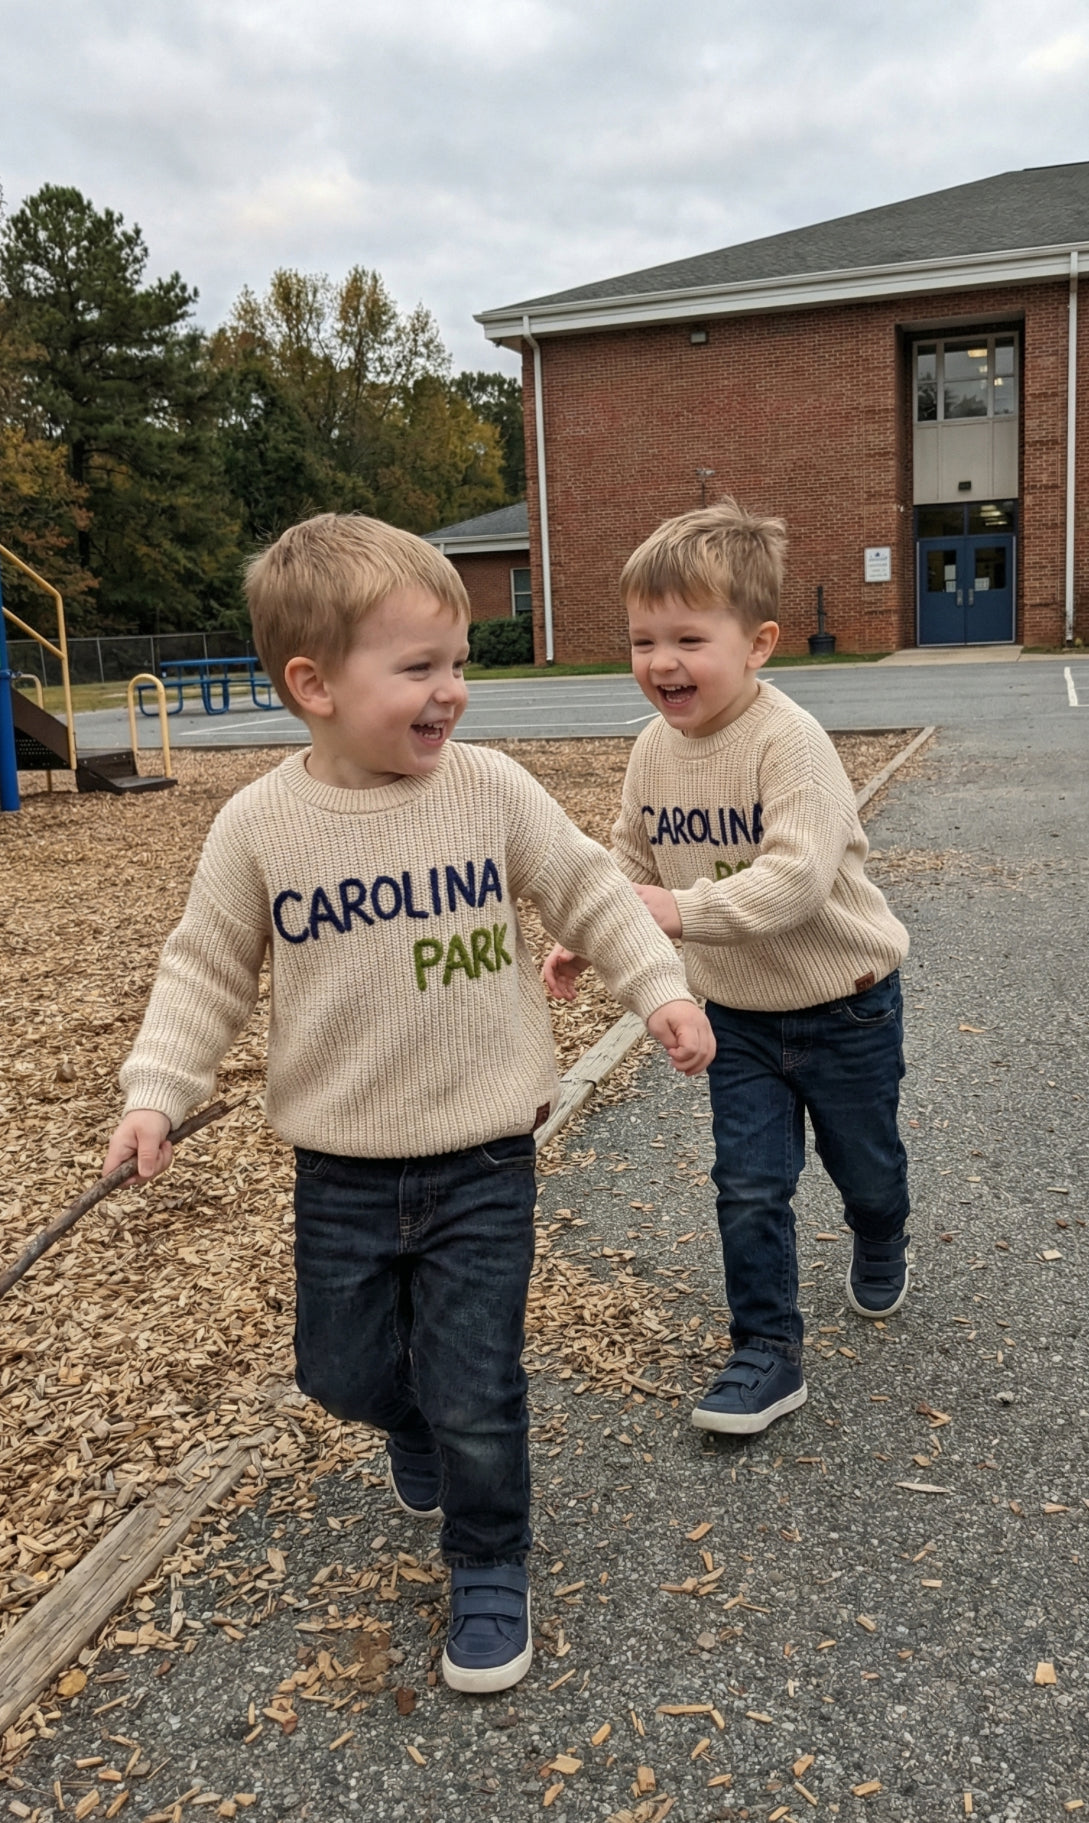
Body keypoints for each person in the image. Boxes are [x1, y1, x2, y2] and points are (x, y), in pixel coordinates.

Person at [102, 513, 714, 1695]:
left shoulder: (488, 791)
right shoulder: (260, 826)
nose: (453, 694)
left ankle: (490, 1558)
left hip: (484, 1154)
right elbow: (204, 968)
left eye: (459, 664)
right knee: (340, 1369)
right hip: (340, 1170)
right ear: (314, 683)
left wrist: (660, 991)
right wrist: (155, 1096)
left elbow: (587, 888)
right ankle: (411, 1423)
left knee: (479, 1378)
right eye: (420, 668)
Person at [545, 498, 910, 1437]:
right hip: (739, 1019)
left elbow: (791, 882)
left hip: (846, 1009)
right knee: (748, 1182)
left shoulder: (790, 745)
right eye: (641, 639)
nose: (661, 663)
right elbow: (629, 857)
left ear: (758, 644)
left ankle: (879, 1227)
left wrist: (677, 911)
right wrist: (594, 925)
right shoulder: (649, 751)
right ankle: (765, 1350)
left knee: (862, 1166)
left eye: (687, 638)